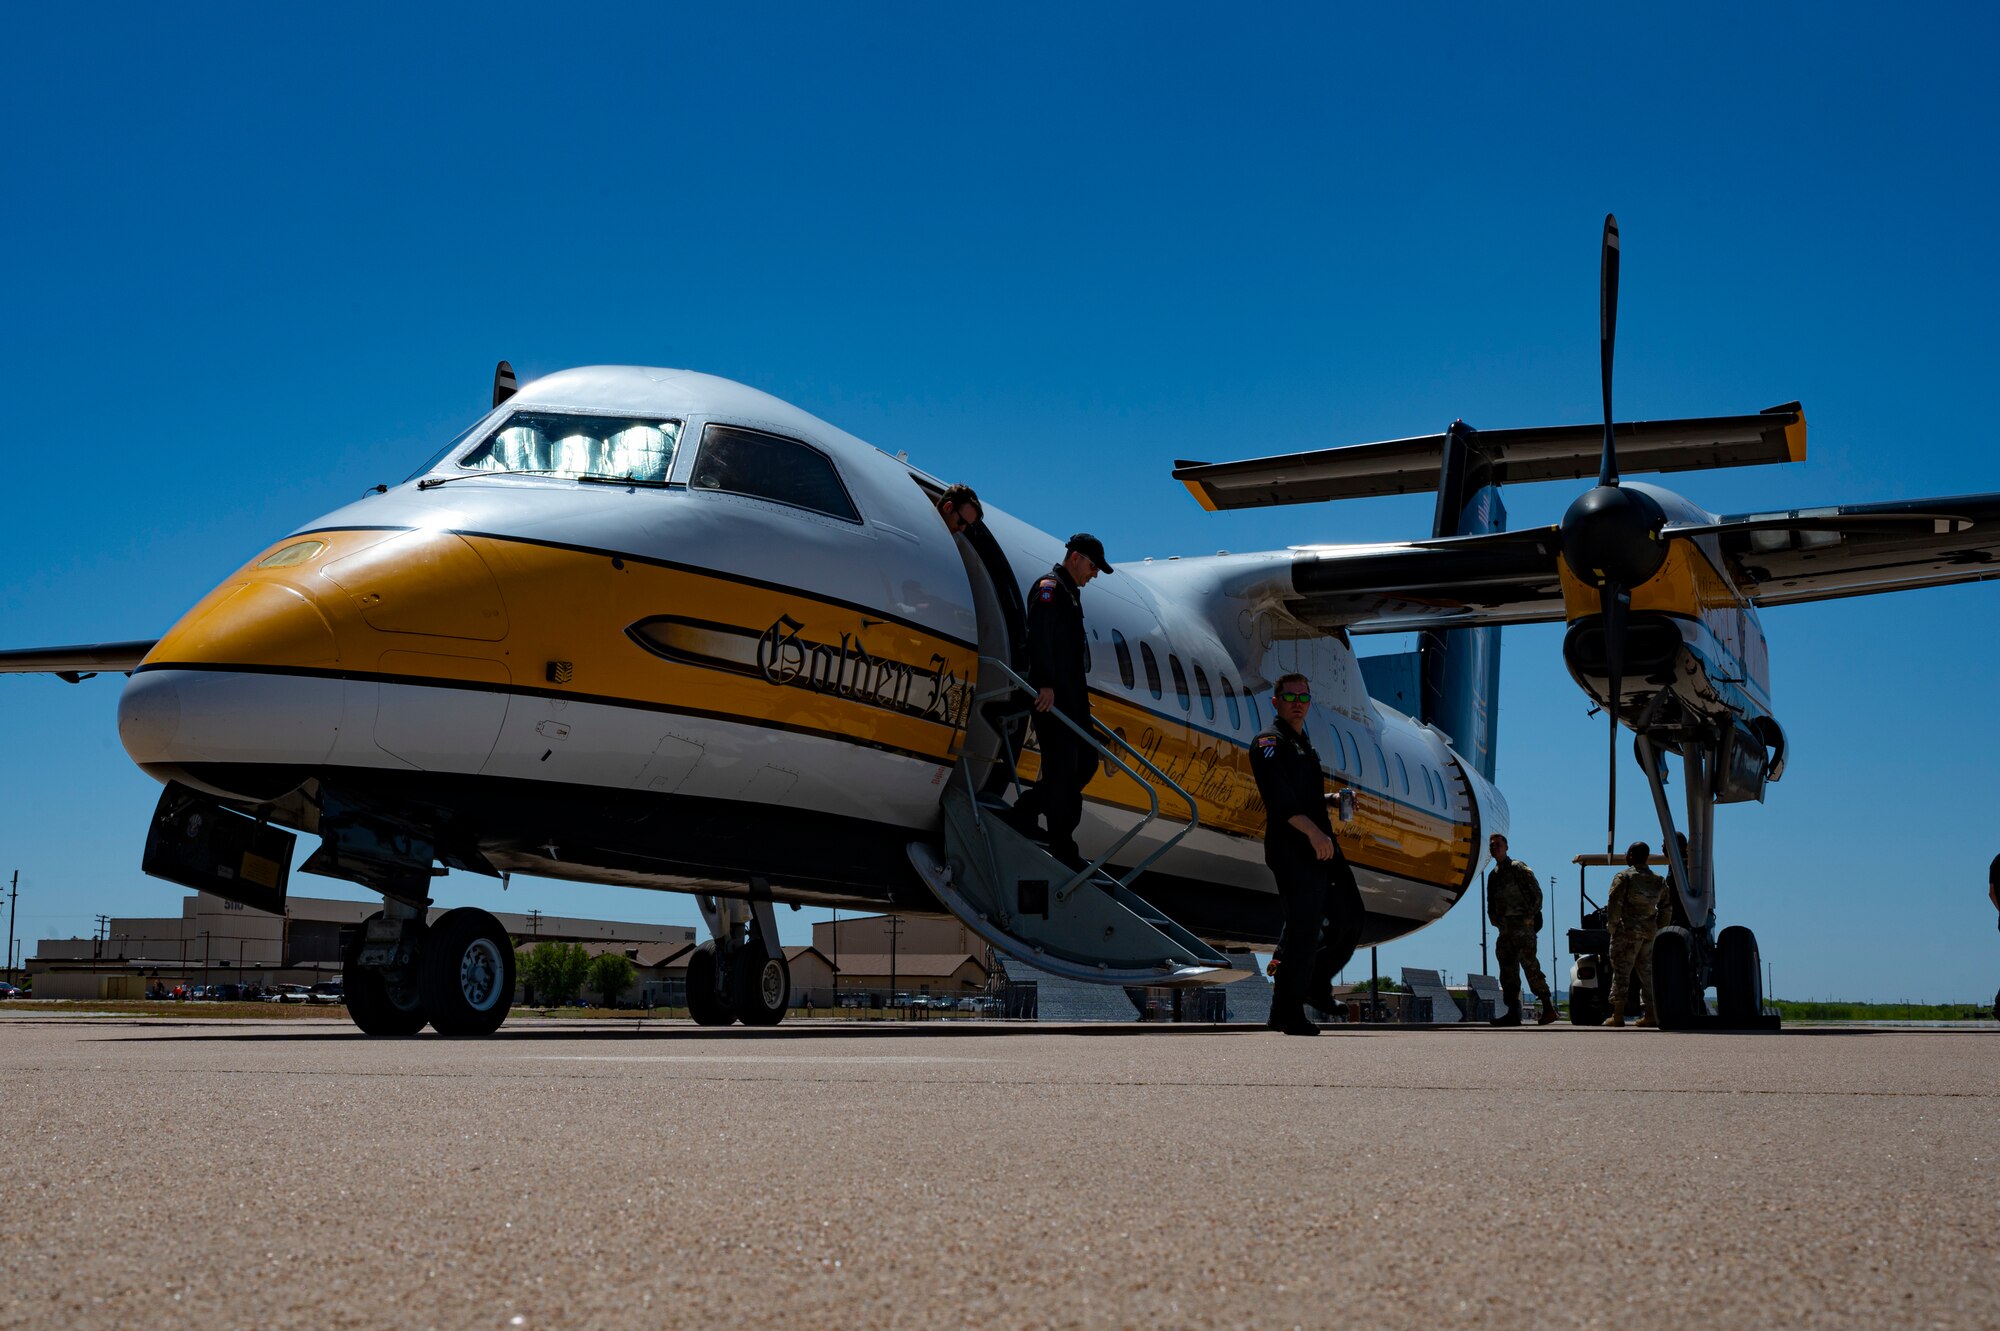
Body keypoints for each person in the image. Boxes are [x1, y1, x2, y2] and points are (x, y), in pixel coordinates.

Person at [1248, 672, 1365, 1036]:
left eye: (1304, 698)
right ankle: (1287, 1012)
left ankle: (1314, 985)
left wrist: (1330, 800)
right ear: (1276, 702)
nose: (1298, 704)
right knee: (1303, 929)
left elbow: (1303, 796)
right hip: (1294, 847)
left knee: (1351, 917)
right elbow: (1280, 800)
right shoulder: (1268, 743)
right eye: (1290, 697)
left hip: (1322, 844)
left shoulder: (1303, 743)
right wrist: (1314, 831)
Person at [1004, 534, 1111, 867]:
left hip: (1072, 699)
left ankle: (1026, 811)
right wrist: (1046, 684)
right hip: (1053, 699)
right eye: (1093, 566)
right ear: (1076, 558)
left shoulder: (1069, 594)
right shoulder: (1049, 588)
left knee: (1087, 763)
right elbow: (1039, 637)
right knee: (1063, 769)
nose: (1094, 574)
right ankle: (1062, 845)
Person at [1486, 833, 1559, 1025]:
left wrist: (1528, 918)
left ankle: (1548, 1008)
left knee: (1530, 967)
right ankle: (1512, 1012)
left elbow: (1537, 895)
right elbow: (1490, 903)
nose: (1494, 847)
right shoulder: (1493, 875)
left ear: (1506, 847)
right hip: (1505, 930)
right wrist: (1496, 921)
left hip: (1523, 928)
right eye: (1492, 845)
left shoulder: (1518, 868)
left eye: (1498, 844)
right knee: (1507, 971)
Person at [1602, 840, 1674, 1028]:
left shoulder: (1624, 877)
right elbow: (1667, 908)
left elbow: (1614, 903)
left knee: (1621, 972)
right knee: (1647, 973)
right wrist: (1659, 928)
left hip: (1627, 932)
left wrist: (1612, 926)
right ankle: (1650, 1014)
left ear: (1632, 855)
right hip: (1649, 934)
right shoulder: (1658, 880)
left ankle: (1618, 1015)